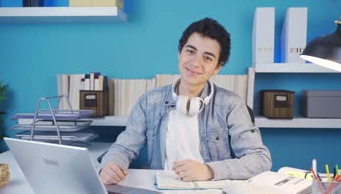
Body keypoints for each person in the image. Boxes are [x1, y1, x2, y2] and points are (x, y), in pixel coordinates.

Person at [99, 17, 272, 184]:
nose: (196, 63)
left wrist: (209, 170)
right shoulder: (148, 102)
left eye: (207, 58)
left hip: (213, 193)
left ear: (217, 67)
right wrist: (110, 166)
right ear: (180, 54)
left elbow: (260, 159)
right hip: (162, 191)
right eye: (190, 51)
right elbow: (123, 148)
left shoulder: (232, 105)